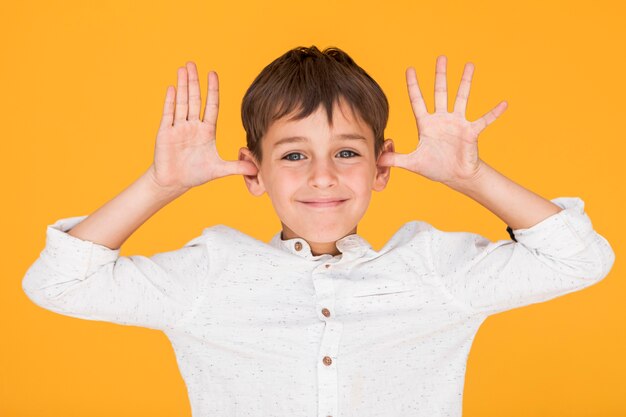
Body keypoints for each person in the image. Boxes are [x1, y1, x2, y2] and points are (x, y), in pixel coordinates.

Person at [22, 45, 615, 417]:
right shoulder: (210, 276)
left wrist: (471, 176)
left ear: (382, 166)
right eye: (294, 156)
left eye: (348, 153)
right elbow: (57, 284)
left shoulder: (434, 270)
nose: (324, 177)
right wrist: (162, 185)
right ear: (253, 170)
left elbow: (580, 260)